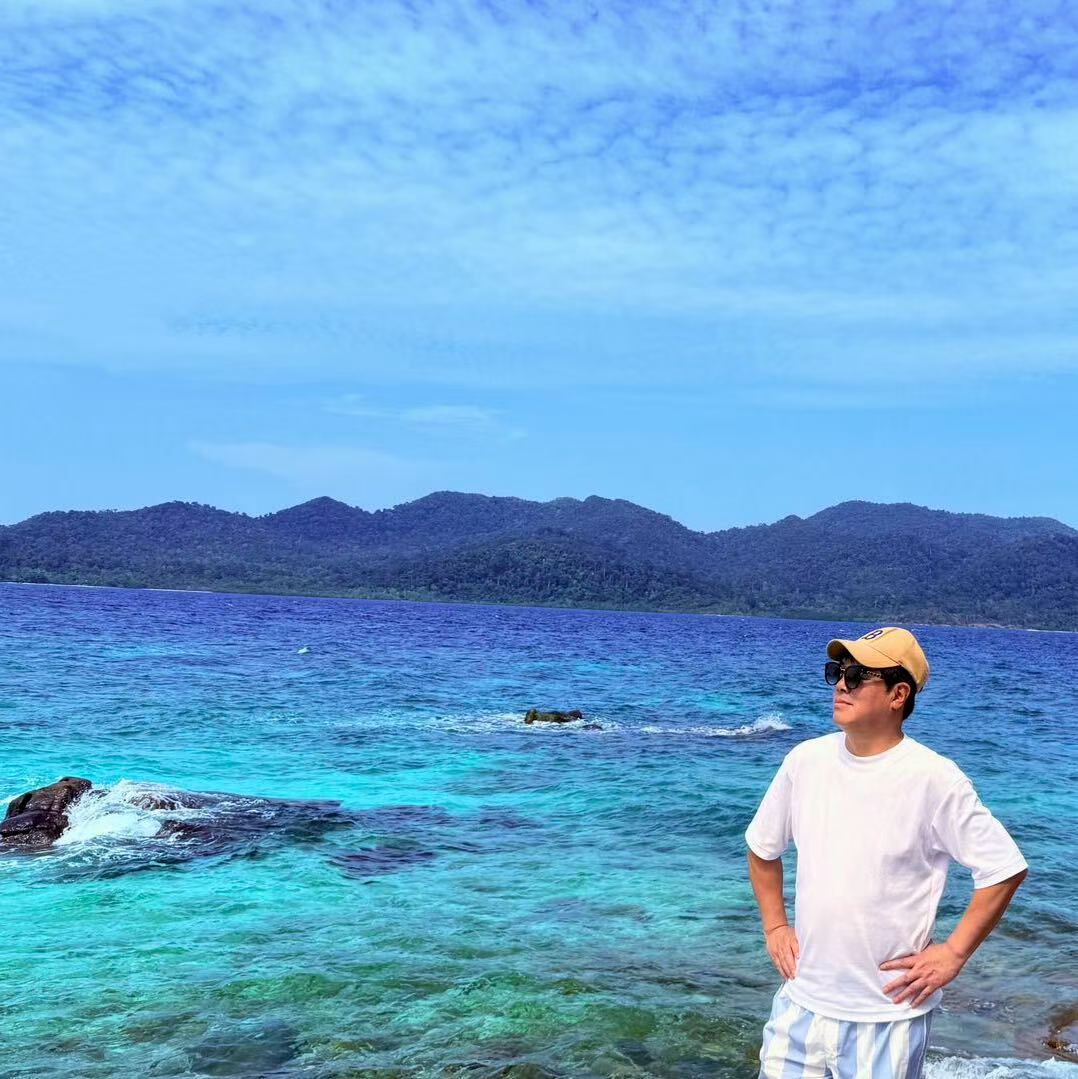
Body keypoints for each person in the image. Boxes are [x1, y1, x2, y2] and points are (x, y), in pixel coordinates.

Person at [745, 626, 1028, 1079]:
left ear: (898, 694)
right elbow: (762, 849)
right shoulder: (805, 761)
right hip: (800, 1003)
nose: (841, 684)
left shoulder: (933, 777)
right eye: (837, 672)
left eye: (858, 676)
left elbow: (1003, 869)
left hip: (888, 1014)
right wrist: (775, 925)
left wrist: (953, 954)